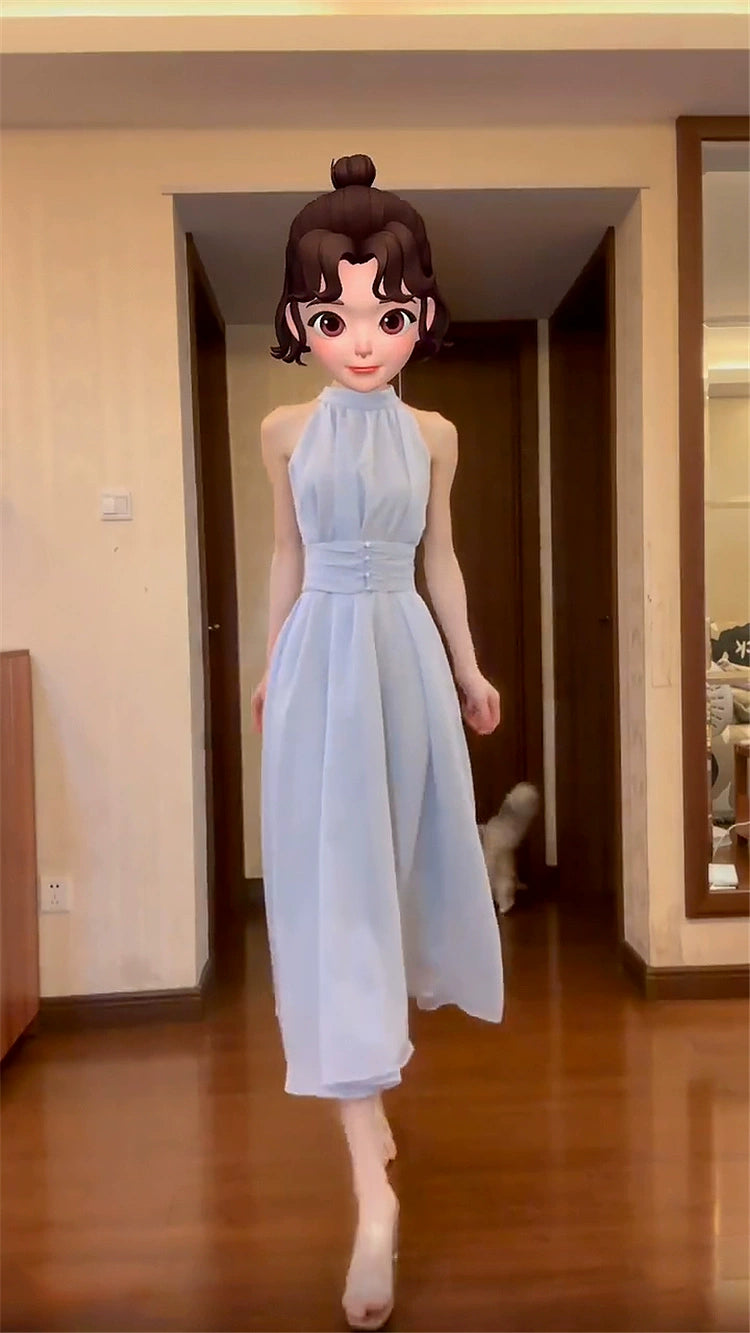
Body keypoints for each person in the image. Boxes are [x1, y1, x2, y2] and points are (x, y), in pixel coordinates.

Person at [251, 153, 504, 1331]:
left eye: (388, 315)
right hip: (320, 660)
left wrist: (468, 665)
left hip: (401, 656)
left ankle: (371, 1100)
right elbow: (286, 555)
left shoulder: (437, 436)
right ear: (299, 321)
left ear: (422, 317)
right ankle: (372, 1195)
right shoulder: (281, 430)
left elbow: (440, 558)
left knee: (392, 885)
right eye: (334, 316)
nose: (362, 339)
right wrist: (269, 662)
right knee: (327, 899)